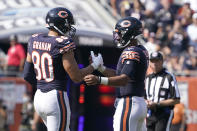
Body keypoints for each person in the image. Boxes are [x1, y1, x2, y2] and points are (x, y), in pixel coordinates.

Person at [23, 7, 102, 131]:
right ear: (61, 24)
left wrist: (43, 85)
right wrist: (94, 66)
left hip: (39, 97)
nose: (70, 27)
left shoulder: (34, 39)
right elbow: (76, 77)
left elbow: (27, 74)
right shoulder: (63, 42)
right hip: (55, 97)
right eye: (68, 24)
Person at [84, 16, 149, 131]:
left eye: (120, 34)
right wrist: (101, 68)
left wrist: (98, 80)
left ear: (130, 34)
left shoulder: (131, 51)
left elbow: (123, 80)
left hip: (129, 103)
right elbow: (120, 75)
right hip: (137, 102)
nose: (117, 37)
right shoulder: (140, 49)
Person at [145, 51, 180, 131]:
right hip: (150, 114)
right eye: (152, 61)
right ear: (149, 63)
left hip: (164, 114)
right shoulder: (148, 78)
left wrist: (157, 104)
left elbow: (176, 99)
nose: (155, 63)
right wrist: (146, 102)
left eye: (157, 61)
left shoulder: (169, 77)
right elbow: (144, 97)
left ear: (162, 62)